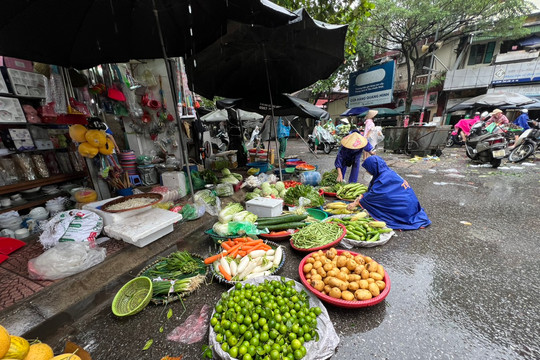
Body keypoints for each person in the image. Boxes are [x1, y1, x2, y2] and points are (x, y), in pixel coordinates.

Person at [347, 156, 431, 230]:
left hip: (405, 209)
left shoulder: (383, 180)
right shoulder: (387, 172)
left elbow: (373, 196)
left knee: (373, 203)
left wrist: (357, 201)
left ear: (373, 168)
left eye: (367, 169)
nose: (367, 171)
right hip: (413, 205)